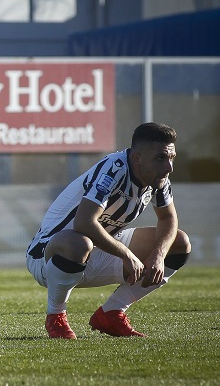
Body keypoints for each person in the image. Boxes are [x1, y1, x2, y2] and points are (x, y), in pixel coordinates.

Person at [26, 122, 191, 339]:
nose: (169, 167)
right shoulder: (114, 169)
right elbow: (84, 223)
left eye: (171, 158)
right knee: (80, 243)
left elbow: (168, 218)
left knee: (179, 243)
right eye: (161, 158)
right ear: (137, 158)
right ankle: (56, 316)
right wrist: (126, 254)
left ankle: (112, 312)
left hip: (102, 248)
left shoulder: (159, 178)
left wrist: (158, 256)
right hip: (49, 256)